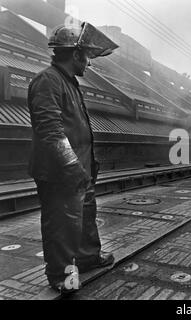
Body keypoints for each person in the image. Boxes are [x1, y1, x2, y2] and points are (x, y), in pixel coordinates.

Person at [27, 23, 118, 294]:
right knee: (61, 225)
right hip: (60, 173)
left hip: (80, 169)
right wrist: (71, 165)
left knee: (86, 217)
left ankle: (88, 258)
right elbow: (51, 130)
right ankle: (61, 275)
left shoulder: (69, 83)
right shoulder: (48, 81)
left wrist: (86, 167)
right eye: (87, 56)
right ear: (76, 55)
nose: (89, 63)